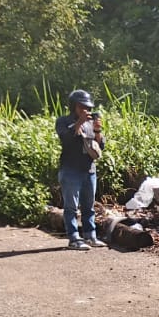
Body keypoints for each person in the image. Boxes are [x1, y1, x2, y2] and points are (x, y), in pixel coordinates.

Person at [56, 89, 106, 250]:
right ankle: (73, 238)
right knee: (71, 207)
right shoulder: (63, 121)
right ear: (74, 106)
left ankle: (90, 236)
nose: (86, 111)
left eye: (88, 108)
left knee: (88, 206)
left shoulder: (90, 123)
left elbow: (100, 146)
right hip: (71, 170)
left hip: (89, 170)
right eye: (82, 107)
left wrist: (97, 130)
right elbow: (66, 139)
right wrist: (79, 122)